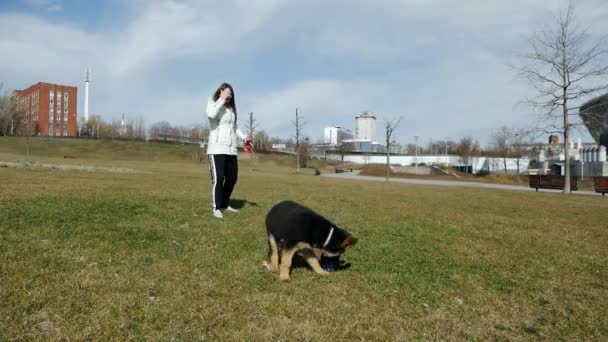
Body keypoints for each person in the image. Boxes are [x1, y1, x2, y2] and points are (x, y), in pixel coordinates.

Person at [206, 83, 251, 219]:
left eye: (231, 94)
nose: (229, 96)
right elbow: (211, 114)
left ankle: (225, 203)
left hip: (231, 150)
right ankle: (217, 207)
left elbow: (234, 128)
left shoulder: (231, 109)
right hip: (217, 148)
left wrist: (244, 138)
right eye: (227, 92)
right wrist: (221, 99)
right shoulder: (213, 103)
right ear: (221, 91)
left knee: (232, 178)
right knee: (219, 178)